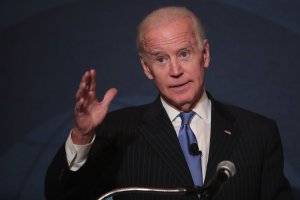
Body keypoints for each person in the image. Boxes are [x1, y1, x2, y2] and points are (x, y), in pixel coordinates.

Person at [45, 6, 292, 200]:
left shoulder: (258, 132)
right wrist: (81, 135)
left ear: (204, 54)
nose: (175, 70)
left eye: (184, 54)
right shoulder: (118, 131)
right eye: (161, 59)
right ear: (146, 68)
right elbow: (61, 196)